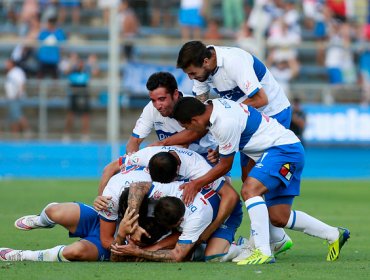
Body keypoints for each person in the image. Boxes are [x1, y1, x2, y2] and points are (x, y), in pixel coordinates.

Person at [172, 97, 350, 265]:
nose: (191, 132)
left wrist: (196, 184)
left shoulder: (223, 123)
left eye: (187, 127)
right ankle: (333, 234)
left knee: (249, 190)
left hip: (282, 151)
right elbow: (239, 130)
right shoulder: (216, 106)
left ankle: (262, 251)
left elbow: (225, 166)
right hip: (285, 150)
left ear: (193, 120)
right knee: (279, 217)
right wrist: (220, 149)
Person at [176, 41, 291, 182]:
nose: (191, 78)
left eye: (192, 73)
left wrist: (227, 112)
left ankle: (277, 202)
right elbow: (199, 111)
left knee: (260, 178)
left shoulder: (234, 62)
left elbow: (261, 99)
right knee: (247, 177)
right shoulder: (201, 69)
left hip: (274, 114)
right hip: (247, 119)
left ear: (206, 61)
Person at [0, 188, 169, 262]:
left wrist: (122, 234)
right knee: (54, 212)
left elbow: (120, 256)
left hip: (110, 245)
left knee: (74, 252)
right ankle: (42, 221)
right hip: (101, 220)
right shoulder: (134, 185)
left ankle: (22, 255)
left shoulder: (168, 221)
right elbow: (109, 171)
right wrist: (99, 199)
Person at [126, 72, 218, 163]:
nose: (157, 106)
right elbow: (134, 141)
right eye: (153, 100)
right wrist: (132, 161)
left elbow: (194, 134)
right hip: (175, 161)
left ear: (175, 94)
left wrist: (161, 144)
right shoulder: (150, 108)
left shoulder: (192, 105)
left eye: (162, 99)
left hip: (208, 157)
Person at [63, 58, 93, 142]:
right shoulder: (72, 73)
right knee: (70, 115)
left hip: (84, 96)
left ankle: (85, 135)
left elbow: (95, 72)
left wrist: (92, 63)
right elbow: (66, 73)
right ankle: (67, 134)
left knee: (85, 116)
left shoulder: (86, 73)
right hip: (74, 97)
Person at [4, 59, 30, 138]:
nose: (6, 65)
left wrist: (18, 95)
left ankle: (28, 132)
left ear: (12, 63)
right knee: (13, 118)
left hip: (16, 98)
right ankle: (15, 136)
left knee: (18, 116)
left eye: (7, 63)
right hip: (11, 98)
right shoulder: (10, 73)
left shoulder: (17, 72)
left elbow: (22, 83)